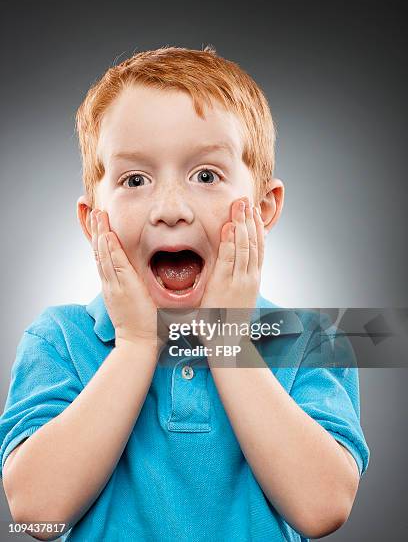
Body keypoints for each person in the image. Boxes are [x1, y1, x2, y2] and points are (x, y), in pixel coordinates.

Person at [0, 46, 370, 541]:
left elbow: (322, 508)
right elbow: (35, 512)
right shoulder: (59, 339)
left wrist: (227, 340)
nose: (170, 209)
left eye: (206, 175)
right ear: (93, 222)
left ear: (263, 208)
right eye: (135, 179)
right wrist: (134, 343)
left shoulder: (311, 339)